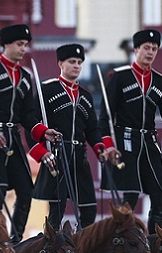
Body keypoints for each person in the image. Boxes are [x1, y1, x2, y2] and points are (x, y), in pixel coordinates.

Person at [0, 23, 60, 244]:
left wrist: (42, 131)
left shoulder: (24, 76)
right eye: (19, 44)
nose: (23, 49)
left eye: (25, 45)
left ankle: (15, 240)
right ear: (7, 44)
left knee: (25, 190)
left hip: (13, 140)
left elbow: (28, 115)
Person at [100, 29, 162, 234]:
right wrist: (108, 144)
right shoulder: (120, 77)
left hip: (149, 143)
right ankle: (123, 238)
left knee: (159, 194)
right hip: (125, 141)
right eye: (146, 48)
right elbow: (104, 116)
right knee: (130, 195)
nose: (150, 52)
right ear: (136, 49)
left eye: (154, 48)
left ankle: (154, 242)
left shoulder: (161, 82)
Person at [30, 44, 118, 230]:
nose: (76, 66)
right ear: (60, 63)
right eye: (72, 62)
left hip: (80, 157)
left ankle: (82, 248)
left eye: (79, 62)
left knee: (89, 209)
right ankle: (51, 248)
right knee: (57, 209)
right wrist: (41, 152)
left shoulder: (86, 96)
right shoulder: (47, 89)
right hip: (57, 155)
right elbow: (31, 123)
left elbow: (92, 129)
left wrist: (99, 148)